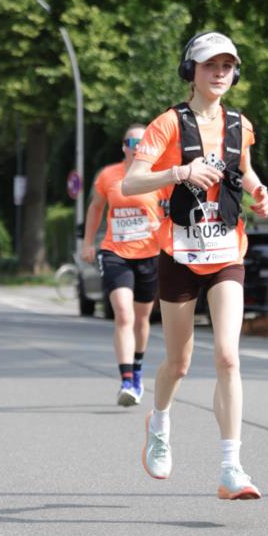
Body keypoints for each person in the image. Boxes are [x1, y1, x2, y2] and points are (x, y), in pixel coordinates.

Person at [122, 31, 268, 500]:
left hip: (227, 251)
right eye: (211, 65)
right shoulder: (168, 124)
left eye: (228, 66)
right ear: (191, 71)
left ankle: (231, 469)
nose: (220, 74)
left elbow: (244, 170)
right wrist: (180, 172)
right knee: (179, 363)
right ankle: (159, 423)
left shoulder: (240, 125)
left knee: (228, 356)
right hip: (180, 255)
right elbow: (131, 182)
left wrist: (259, 191)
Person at [81, 124, 166, 406]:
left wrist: (162, 226)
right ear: (124, 147)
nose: (137, 147)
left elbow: (172, 212)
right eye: (132, 142)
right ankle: (127, 380)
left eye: (142, 143)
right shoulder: (109, 175)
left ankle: (137, 369)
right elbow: (96, 208)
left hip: (149, 254)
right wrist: (88, 242)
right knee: (123, 314)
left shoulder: (158, 176)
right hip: (115, 253)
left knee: (141, 320)